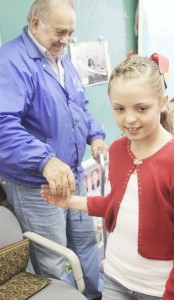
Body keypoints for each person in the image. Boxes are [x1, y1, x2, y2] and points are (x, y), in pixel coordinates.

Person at [41, 53, 174, 300]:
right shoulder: (117, 149)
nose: (129, 119)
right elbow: (117, 204)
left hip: (158, 289)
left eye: (142, 108)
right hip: (114, 277)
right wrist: (69, 202)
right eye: (119, 109)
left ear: (163, 102)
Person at [0, 1, 108, 299]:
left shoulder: (62, 60)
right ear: (35, 24)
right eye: (60, 31)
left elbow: (79, 108)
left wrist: (95, 135)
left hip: (71, 174)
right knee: (54, 259)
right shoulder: (11, 61)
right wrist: (45, 160)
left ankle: (94, 297)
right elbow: (2, 125)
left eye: (71, 33)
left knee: (86, 243)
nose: (65, 39)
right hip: (37, 184)